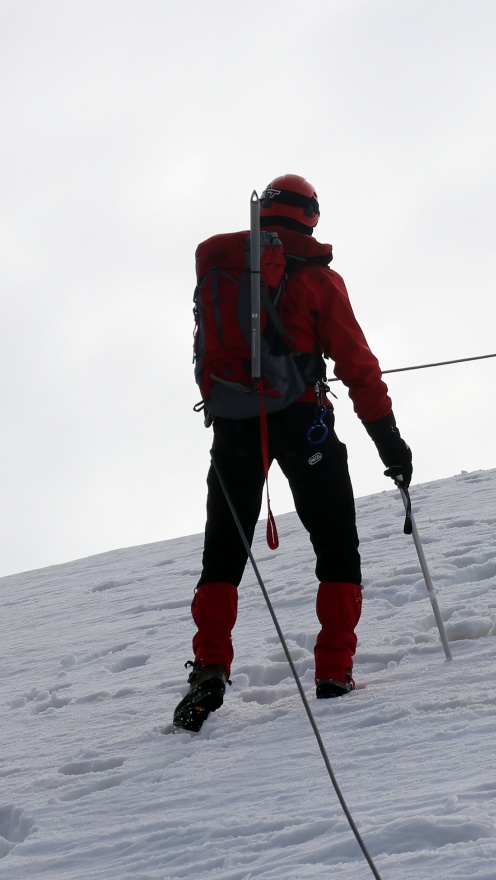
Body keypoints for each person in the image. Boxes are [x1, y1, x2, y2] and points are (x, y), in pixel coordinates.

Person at [175, 174, 413, 731]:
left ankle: (209, 667)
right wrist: (391, 444)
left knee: (223, 553)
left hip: (234, 423)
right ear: (310, 217)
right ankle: (334, 672)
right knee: (336, 544)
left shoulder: (227, 272)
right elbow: (358, 369)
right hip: (302, 421)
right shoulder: (318, 280)